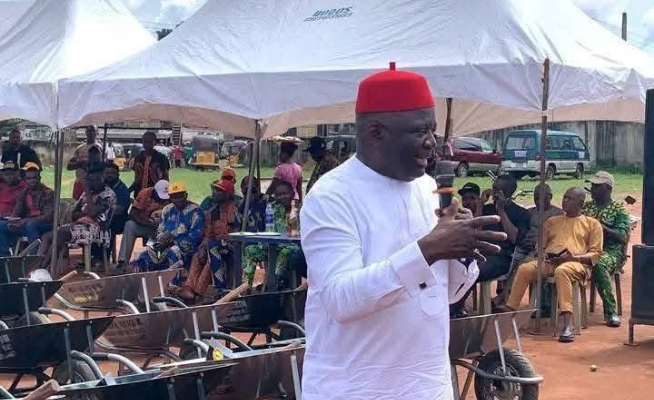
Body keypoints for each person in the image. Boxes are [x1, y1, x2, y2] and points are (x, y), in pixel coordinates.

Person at [300, 64, 506, 400]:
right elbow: (341, 300)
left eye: (433, 130)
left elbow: (444, 295)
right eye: (420, 131)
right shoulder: (331, 197)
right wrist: (429, 250)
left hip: (428, 385)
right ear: (375, 133)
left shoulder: (428, 189)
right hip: (355, 389)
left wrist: (463, 254)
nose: (432, 143)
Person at [502, 187, 603, 342]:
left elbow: (595, 254)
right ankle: (509, 313)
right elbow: (539, 247)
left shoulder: (592, 224)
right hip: (550, 261)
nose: (564, 201)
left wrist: (574, 257)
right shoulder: (551, 221)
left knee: (562, 271)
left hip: (576, 263)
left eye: (569, 199)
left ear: (581, 203)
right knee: (525, 269)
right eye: (564, 197)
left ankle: (567, 324)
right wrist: (543, 255)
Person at [450, 174, 530, 317]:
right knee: (456, 265)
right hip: (480, 253)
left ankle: (453, 309)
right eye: (493, 188)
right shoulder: (487, 209)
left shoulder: (521, 213)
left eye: (496, 189)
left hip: (503, 258)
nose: (493, 192)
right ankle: (452, 305)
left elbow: (514, 238)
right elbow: (475, 232)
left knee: (473, 270)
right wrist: (480, 205)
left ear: (506, 192)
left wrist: (501, 211)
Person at [37, 164, 116, 273]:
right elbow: (74, 214)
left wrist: (87, 192)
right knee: (47, 236)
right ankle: (39, 265)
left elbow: (93, 214)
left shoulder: (108, 195)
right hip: (79, 225)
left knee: (60, 234)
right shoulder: (87, 193)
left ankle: (42, 268)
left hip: (97, 229)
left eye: (96, 180)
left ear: (103, 178)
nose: (93, 183)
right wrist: (84, 212)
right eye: (91, 181)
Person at [581, 171, 630, 328]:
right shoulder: (586, 207)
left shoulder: (618, 210)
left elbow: (622, 237)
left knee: (598, 263)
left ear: (608, 188)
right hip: (585, 249)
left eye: (597, 186)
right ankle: (549, 306)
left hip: (610, 252)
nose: (592, 188)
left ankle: (610, 312)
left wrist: (600, 227)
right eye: (592, 185)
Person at [506, 183, 564, 315]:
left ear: (550, 197)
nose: (539, 200)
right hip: (522, 247)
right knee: (508, 264)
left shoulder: (558, 214)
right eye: (536, 197)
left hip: (541, 250)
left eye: (543, 197)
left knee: (524, 265)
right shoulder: (529, 212)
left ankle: (507, 300)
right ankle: (504, 294)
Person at [175, 179, 237, 301]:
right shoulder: (212, 212)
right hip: (214, 244)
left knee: (212, 253)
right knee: (198, 255)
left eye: (219, 190)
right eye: (214, 189)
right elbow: (208, 234)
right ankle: (189, 288)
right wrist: (202, 247)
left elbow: (237, 230)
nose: (214, 192)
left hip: (232, 244)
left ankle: (200, 292)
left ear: (228, 194)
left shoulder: (234, 210)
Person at [130, 182, 204, 275]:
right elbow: (161, 229)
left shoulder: (196, 211)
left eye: (180, 196)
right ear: (170, 198)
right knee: (143, 255)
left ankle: (171, 282)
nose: (178, 200)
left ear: (186, 195)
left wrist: (173, 240)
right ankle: (147, 281)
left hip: (185, 248)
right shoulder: (167, 210)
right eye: (174, 197)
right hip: (165, 245)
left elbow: (195, 238)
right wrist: (160, 240)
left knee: (173, 252)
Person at [114, 180, 170, 273]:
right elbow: (132, 214)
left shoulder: (171, 197)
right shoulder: (145, 193)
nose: (163, 199)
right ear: (154, 191)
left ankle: (163, 262)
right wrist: (148, 224)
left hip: (164, 230)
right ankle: (122, 262)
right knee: (129, 225)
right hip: (146, 225)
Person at [0, 163, 53, 256]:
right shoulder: (23, 193)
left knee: (31, 225)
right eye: (29, 178)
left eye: (34, 178)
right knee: (2, 225)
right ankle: (4, 258)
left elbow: (48, 216)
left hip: (45, 225)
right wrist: (12, 220)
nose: (32, 181)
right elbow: (17, 210)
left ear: (39, 178)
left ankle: (33, 258)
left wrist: (26, 220)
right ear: (25, 180)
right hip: (27, 224)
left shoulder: (47, 193)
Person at [67, 126, 110, 200]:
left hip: (93, 183)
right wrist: (81, 163)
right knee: (76, 203)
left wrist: (82, 163)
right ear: (85, 132)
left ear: (97, 133)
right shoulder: (80, 148)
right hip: (79, 181)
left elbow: (101, 166)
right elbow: (69, 166)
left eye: (93, 130)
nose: (90, 132)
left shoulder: (100, 148)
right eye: (88, 130)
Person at [130, 131, 170, 196]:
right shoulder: (138, 157)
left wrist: (164, 193)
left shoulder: (161, 158)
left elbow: (165, 177)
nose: (147, 144)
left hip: (155, 194)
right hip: (139, 193)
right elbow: (137, 177)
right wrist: (129, 190)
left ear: (155, 142)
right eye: (145, 142)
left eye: (150, 142)